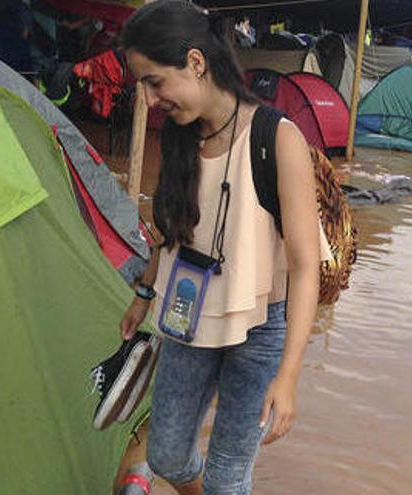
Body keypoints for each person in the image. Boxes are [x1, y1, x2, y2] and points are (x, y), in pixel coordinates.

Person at [118, 2, 324, 494]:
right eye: (142, 86)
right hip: (188, 314)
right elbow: (171, 229)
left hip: (259, 329)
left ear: (194, 62)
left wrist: (290, 374)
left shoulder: (277, 138)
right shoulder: (180, 136)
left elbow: (305, 265)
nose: (149, 98)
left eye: (155, 81)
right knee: (166, 453)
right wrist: (143, 294)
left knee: (228, 479)